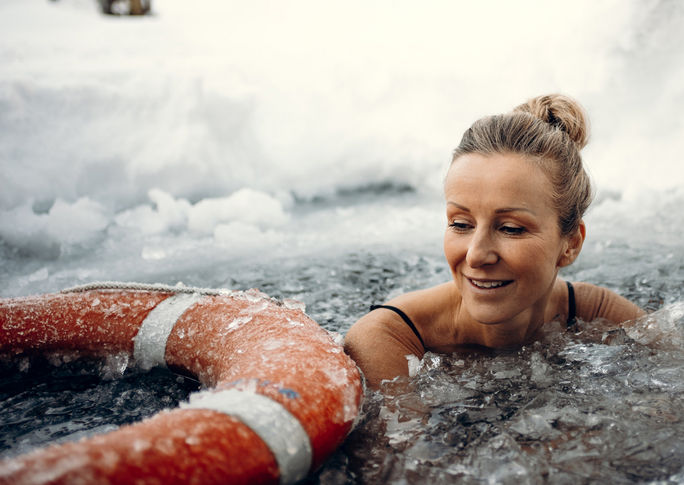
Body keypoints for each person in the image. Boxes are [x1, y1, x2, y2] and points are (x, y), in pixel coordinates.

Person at [344, 94, 646, 388]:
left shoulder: (597, 315)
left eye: (511, 228)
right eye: (461, 224)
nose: (475, 256)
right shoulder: (390, 338)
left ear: (570, 244)